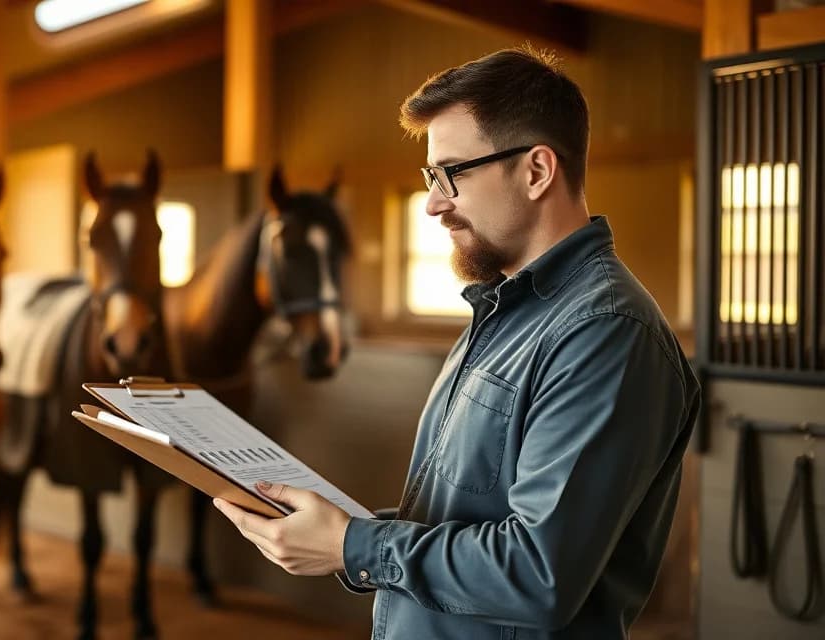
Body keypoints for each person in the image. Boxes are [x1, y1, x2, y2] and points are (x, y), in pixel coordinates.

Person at [212, 45, 701, 639]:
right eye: (429, 176)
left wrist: (353, 545)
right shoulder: (503, 310)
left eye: (451, 174)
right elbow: (466, 518)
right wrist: (341, 532)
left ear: (537, 171)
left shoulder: (604, 331)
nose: (433, 203)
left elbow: (537, 574)